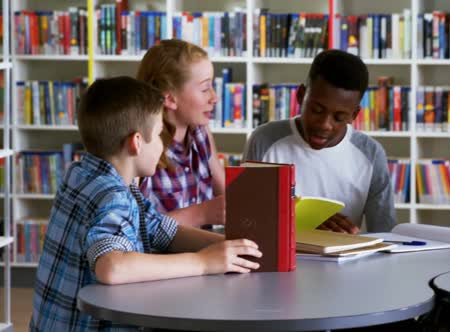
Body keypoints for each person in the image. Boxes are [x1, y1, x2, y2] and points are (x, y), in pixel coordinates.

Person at [29, 77, 261, 331]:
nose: (164, 144)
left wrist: (229, 249)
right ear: (136, 142)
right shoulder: (112, 195)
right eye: (160, 134)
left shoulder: (81, 173)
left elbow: (161, 229)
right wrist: (204, 262)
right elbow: (112, 267)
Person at [243, 49, 395, 233]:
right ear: (300, 96)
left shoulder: (371, 154)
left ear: (354, 115)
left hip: (345, 259)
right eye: (316, 110)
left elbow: (384, 234)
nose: (324, 125)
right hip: (278, 258)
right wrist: (303, 220)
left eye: (338, 117)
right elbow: (246, 220)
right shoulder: (264, 140)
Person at [137, 39, 225, 227]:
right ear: (170, 98)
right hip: (164, 256)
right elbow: (136, 229)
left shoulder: (200, 130)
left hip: (202, 250)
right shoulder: (143, 147)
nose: (215, 97)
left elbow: (225, 190)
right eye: (204, 88)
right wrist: (201, 214)